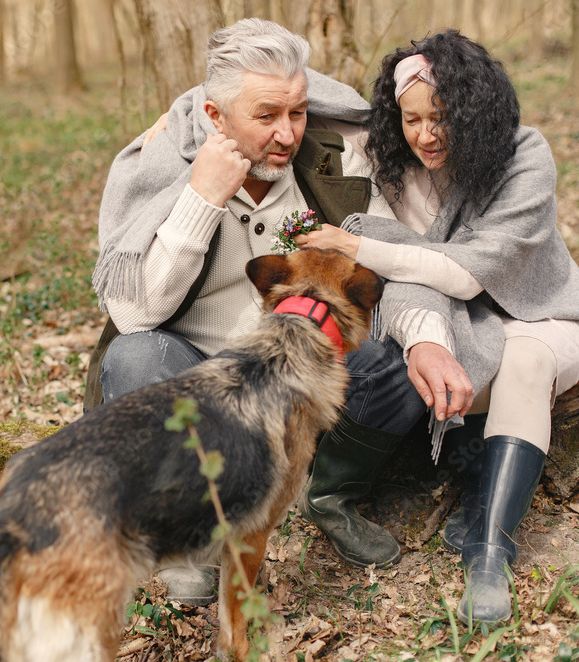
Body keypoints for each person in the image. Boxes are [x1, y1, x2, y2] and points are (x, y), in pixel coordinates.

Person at [294, 30, 579, 624]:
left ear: (474, 110)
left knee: (526, 358)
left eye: (440, 118)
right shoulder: (397, 169)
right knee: (422, 361)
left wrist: (355, 244)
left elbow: (463, 276)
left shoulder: (525, 156)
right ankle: (469, 488)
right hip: (464, 334)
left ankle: (489, 554)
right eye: (410, 119)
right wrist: (189, 108)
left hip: (544, 319)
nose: (425, 135)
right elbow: (317, 94)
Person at [86, 18, 396, 605]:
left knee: (394, 357)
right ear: (213, 118)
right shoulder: (159, 174)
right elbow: (133, 314)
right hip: (200, 375)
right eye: (266, 116)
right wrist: (203, 198)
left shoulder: (331, 167)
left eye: (298, 113)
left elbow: (389, 257)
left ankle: (327, 493)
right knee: (134, 357)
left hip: (304, 376)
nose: (287, 135)